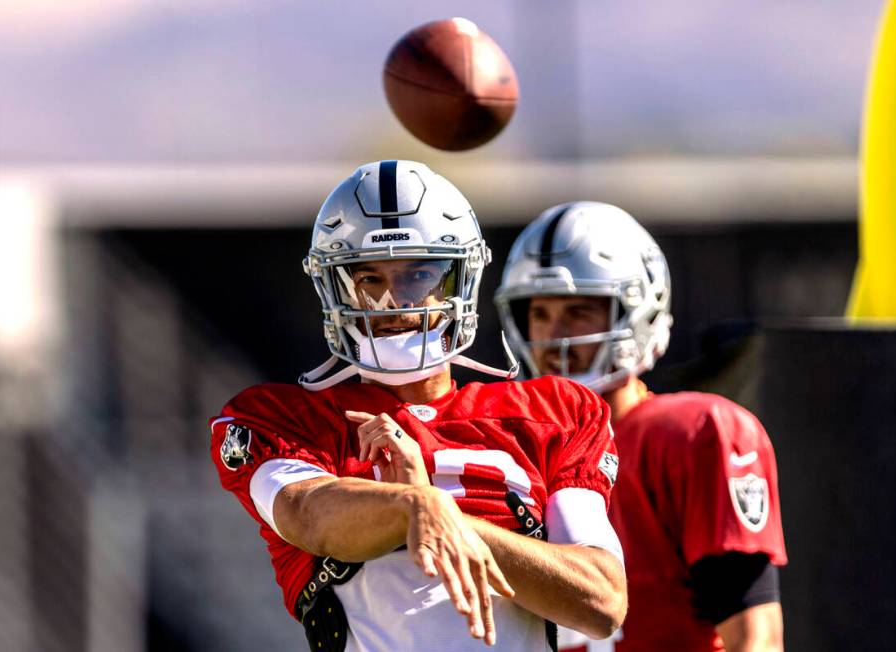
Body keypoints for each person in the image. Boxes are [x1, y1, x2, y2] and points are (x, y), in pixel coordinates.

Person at [209, 162, 627, 652]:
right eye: (368, 278)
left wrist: (448, 519)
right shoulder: (285, 418)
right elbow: (309, 517)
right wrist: (410, 504)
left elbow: (601, 602)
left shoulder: (555, 410)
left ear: (459, 279)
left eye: (418, 275)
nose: (390, 303)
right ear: (334, 287)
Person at [495, 202, 787, 652]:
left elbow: (754, 638)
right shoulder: (506, 449)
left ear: (636, 312)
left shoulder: (690, 435)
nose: (555, 335)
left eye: (577, 311)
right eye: (539, 313)